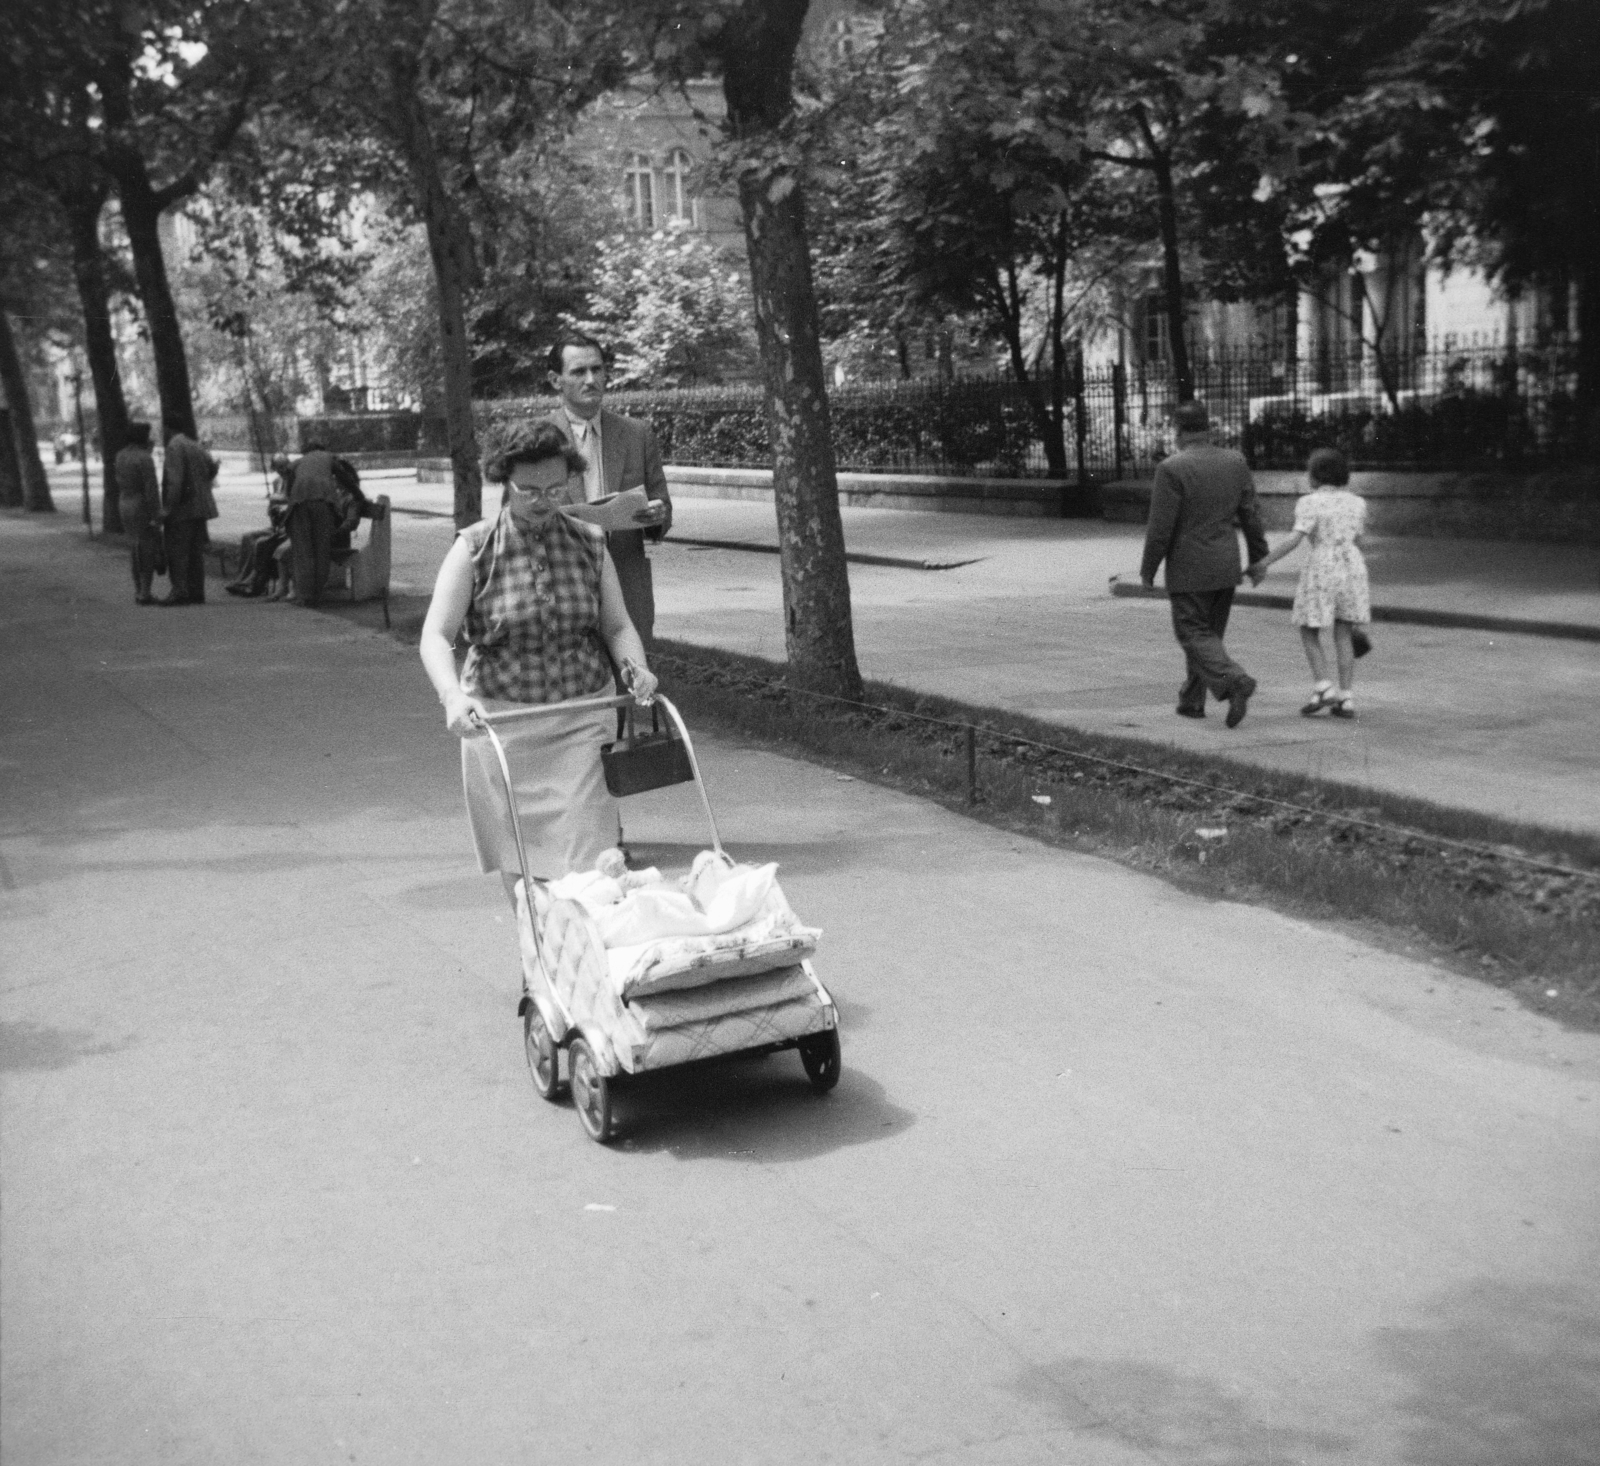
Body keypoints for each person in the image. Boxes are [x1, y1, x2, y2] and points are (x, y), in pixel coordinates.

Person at [419, 421, 660, 907]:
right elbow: (435, 635)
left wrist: (636, 667)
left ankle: (589, 974)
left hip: (581, 721)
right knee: (527, 871)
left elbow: (617, 626)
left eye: (555, 488)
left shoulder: (591, 542)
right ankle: (540, 972)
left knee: (591, 868)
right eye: (528, 490)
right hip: (503, 726)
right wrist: (452, 696)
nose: (543, 500)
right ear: (503, 482)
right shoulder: (473, 548)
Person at [1140, 400, 1270, 728]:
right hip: (1226, 565)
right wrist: (1259, 558)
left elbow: (1160, 527)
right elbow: (1251, 514)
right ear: (1209, 429)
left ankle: (1235, 680)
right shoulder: (1235, 461)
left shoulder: (1172, 468)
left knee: (1193, 633)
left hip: (1189, 568)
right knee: (1208, 636)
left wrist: (1148, 568)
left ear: (1179, 431)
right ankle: (1192, 700)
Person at [536, 333, 671, 648]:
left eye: (597, 370)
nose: (591, 379)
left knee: (632, 687)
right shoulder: (538, 439)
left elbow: (662, 508)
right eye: (578, 372)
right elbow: (515, 519)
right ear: (556, 380)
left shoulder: (637, 435)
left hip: (627, 588)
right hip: (561, 590)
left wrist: (656, 514)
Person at [1248, 447, 1372, 719]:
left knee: (1309, 629)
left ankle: (1323, 685)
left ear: (1316, 475)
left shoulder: (1309, 503)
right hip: (1352, 567)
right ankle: (1346, 697)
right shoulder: (1357, 503)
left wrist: (1264, 562)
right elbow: (1360, 542)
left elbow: (1295, 539)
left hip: (1322, 568)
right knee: (1343, 633)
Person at [284, 440, 357, 606]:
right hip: (323, 504)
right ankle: (316, 594)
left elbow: (288, 476)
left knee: (303, 552)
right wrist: (358, 495)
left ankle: (305, 596)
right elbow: (345, 477)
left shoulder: (299, 461)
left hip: (299, 504)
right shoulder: (329, 457)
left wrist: (291, 498)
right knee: (321, 550)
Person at [158, 416, 220, 606]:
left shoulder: (174, 447)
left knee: (178, 550)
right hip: (200, 506)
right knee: (195, 552)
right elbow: (213, 467)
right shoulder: (195, 445)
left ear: (168, 428)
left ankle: (180, 591)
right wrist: (202, 484)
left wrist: (168, 508)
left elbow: (175, 480)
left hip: (183, 508)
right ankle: (196, 591)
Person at [224, 454, 293, 599]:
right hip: (276, 524)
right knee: (247, 537)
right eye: (278, 467)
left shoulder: (294, 480)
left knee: (260, 543)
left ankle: (253, 580)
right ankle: (241, 578)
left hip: (287, 526)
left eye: (284, 466)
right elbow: (272, 507)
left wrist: (276, 501)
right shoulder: (277, 482)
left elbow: (290, 500)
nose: (282, 470)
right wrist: (272, 509)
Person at [114, 421, 163, 605]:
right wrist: (156, 514)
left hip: (124, 501)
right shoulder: (144, 458)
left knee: (134, 548)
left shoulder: (120, 455)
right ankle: (145, 591)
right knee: (146, 549)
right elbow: (151, 489)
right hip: (140, 504)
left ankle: (138, 589)